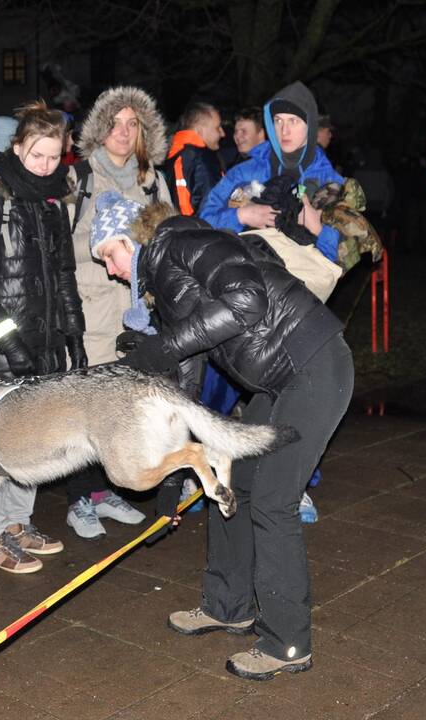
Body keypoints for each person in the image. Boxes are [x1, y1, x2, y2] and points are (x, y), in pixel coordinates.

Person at [96, 197, 353, 681]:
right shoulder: (165, 289)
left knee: (273, 501)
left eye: (110, 255)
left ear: (131, 239)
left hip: (314, 364)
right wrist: (169, 479)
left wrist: (164, 345)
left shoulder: (185, 244)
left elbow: (248, 300)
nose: (110, 271)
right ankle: (229, 605)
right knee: (232, 480)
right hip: (281, 382)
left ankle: (287, 642)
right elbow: (186, 384)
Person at [200, 81, 345, 524]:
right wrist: (242, 215)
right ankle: (202, 471)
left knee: (296, 391)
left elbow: (341, 252)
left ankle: (297, 484)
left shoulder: (329, 181)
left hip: (296, 309)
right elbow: (205, 216)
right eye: (277, 121)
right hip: (245, 303)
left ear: (310, 125)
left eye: (294, 121)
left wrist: (320, 229)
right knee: (218, 386)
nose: (284, 130)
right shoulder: (247, 170)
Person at [0, 100, 81, 573]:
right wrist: (10, 343)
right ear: (17, 148)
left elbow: (64, 277)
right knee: (0, 445)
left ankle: (16, 524)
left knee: (35, 443)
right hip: (3, 346)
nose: (46, 165)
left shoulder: (52, 202)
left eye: (53, 157)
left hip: (46, 345)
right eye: (37, 155)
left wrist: (74, 336)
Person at [64, 85, 170, 539]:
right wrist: (106, 244)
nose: (124, 133)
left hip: (138, 311)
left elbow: (170, 238)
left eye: (133, 124)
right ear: (100, 129)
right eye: (115, 123)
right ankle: (79, 499)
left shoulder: (155, 181)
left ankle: (108, 491)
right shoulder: (79, 179)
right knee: (87, 404)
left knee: (125, 404)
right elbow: (62, 245)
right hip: (93, 307)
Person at [166, 101, 224, 216]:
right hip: (204, 232)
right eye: (217, 128)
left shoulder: (175, 155)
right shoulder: (201, 158)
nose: (222, 134)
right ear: (200, 130)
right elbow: (211, 209)